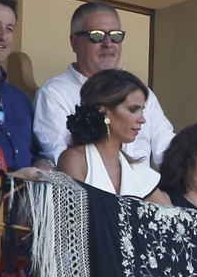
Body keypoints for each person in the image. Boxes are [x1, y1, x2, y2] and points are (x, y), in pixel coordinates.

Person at [33, 2, 173, 166]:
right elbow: (60, 159)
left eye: (116, 36)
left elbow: (168, 151)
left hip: (144, 189)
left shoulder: (140, 93)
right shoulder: (55, 94)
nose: (108, 43)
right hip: (89, 188)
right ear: (74, 42)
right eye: (97, 35)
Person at [55, 69, 170, 204]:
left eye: (142, 111)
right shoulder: (74, 160)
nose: (143, 119)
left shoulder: (139, 172)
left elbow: (177, 219)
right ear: (105, 111)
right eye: (133, 110)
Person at [0, 0, 37, 170]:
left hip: (26, 194)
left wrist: (45, 165)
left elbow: (38, 153)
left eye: (9, 29)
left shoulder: (21, 99)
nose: (2, 36)